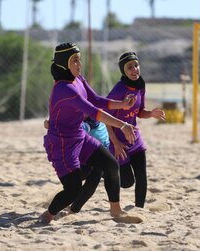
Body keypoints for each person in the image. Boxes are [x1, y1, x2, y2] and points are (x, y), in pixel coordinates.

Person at [40, 43, 137, 224]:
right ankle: (48, 215)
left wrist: (122, 104)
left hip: (79, 136)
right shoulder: (64, 88)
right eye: (75, 61)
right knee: (73, 190)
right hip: (61, 143)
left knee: (110, 164)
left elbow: (96, 100)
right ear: (63, 64)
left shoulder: (78, 80)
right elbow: (94, 111)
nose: (80, 64)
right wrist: (123, 124)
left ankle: (116, 211)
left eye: (79, 60)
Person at [105, 51, 166, 208]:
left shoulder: (141, 85)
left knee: (142, 177)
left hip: (135, 139)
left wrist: (151, 114)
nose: (134, 70)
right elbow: (105, 119)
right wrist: (116, 143)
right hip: (118, 142)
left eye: (136, 65)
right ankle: (108, 174)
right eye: (129, 67)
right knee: (127, 182)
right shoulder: (118, 90)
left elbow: (140, 112)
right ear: (124, 71)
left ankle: (140, 209)